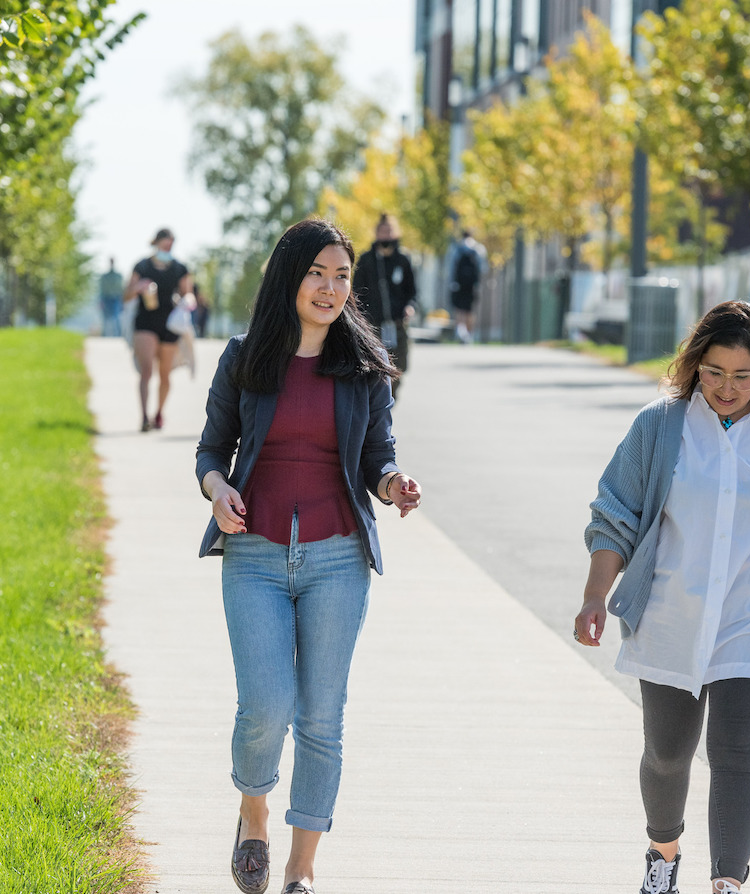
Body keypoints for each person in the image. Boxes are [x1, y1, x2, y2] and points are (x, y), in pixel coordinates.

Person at [573, 301, 750, 894]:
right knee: (668, 754)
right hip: (670, 614)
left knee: (736, 755)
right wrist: (594, 597)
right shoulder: (660, 427)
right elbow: (614, 516)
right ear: (696, 363)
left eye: (743, 375)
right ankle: (663, 854)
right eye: (714, 372)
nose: (727, 387)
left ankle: (727, 884)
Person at [195, 217, 422, 894]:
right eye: (317, 273)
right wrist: (217, 489)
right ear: (290, 276)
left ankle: (302, 868)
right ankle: (253, 813)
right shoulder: (246, 357)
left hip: (336, 559)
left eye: (342, 276)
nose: (329, 288)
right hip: (256, 555)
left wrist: (393, 483)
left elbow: (379, 456)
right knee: (265, 705)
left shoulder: (364, 366)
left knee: (322, 716)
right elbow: (212, 450)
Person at [123, 228, 193, 431]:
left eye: (171, 245)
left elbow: (188, 293)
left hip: (170, 324)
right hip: (145, 321)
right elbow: (127, 295)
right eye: (165, 244)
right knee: (146, 371)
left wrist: (188, 301)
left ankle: (159, 413)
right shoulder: (142, 266)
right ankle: (144, 416)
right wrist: (138, 288)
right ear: (157, 243)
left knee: (165, 373)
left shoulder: (180, 268)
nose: (168, 248)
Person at [352, 213, 417, 397]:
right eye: (382, 231)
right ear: (376, 233)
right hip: (373, 326)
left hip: (396, 325)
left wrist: (410, 306)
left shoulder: (403, 260)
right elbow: (356, 291)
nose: (386, 235)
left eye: (389, 231)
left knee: (399, 366)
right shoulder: (366, 260)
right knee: (374, 366)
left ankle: (391, 397)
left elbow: (412, 291)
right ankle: (378, 402)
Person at [449, 229, 485, 343]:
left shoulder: (456, 248)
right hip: (472, 285)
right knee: (470, 310)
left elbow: (451, 267)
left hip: (458, 284)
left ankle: (460, 332)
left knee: (459, 309)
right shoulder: (478, 249)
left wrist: (452, 282)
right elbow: (483, 268)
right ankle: (469, 335)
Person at [99, 257, 124, 337]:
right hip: (106, 298)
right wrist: (101, 301)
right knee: (105, 318)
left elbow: (121, 288)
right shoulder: (105, 276)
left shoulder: (118, 276)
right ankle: (104, 334)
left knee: (117, 318)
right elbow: (102, 289)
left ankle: (118, 335)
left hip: (116, 298)